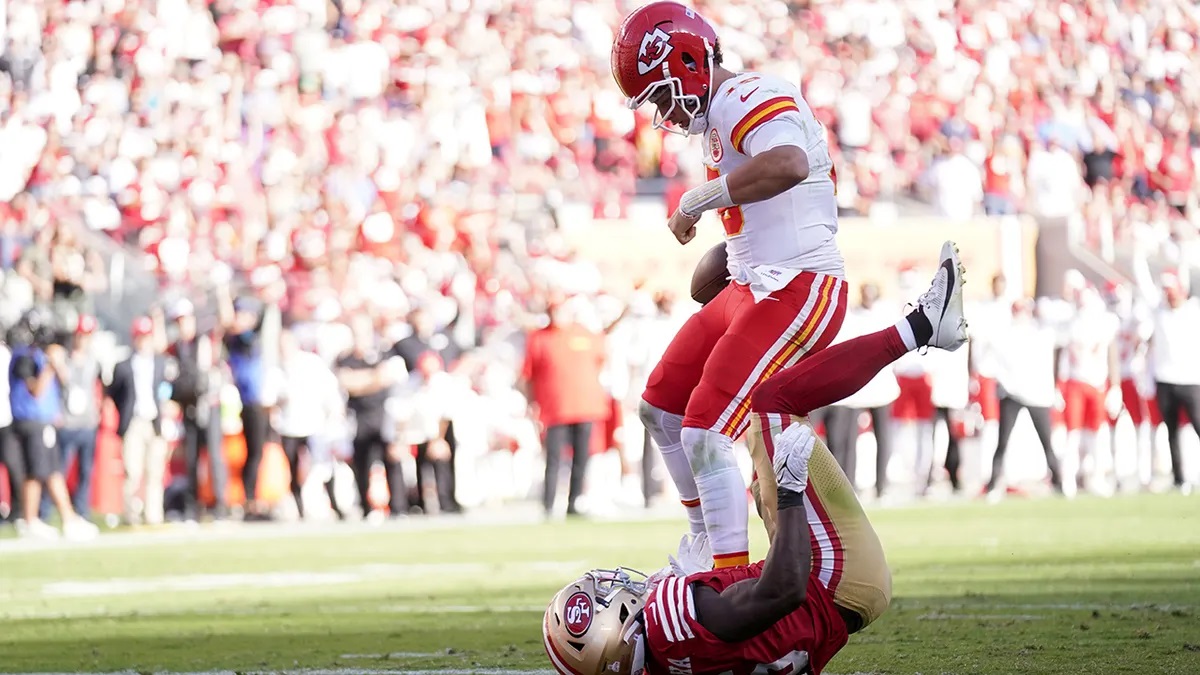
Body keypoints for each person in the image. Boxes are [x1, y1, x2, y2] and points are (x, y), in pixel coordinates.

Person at [542, 242, 968, 675]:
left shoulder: (665, 663)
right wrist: (788, 493)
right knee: (772, 401)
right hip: (832, 574)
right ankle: (922, 327)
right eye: (604, 598)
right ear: (611, 628)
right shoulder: (668, 624)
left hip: (840, 602)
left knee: (752, 447)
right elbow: (782, 590)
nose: (616, 585)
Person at [616, 2, 847, 567]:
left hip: (799, 282)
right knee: (661, 409)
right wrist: (726, 249)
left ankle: (728, 577)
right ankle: (704, 539)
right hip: (751, 283)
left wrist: (699, 198)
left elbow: (789, 163)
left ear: (691, 61)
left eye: (663, 92)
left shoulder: (747, 94)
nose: (665, 111)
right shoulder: (719, 117)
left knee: (705, 431)